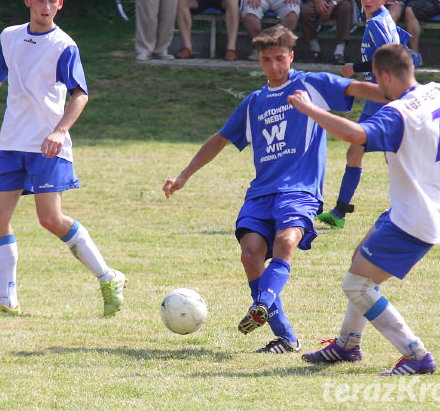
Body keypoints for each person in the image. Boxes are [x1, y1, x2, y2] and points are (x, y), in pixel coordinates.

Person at [163, 24, 389, 354]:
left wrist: (400, 92)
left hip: (299, 189)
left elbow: (358, 88)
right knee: (250, 253)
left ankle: (264, 303)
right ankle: (286, 336)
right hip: (261, 192)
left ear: (291, 56)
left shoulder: (311, 85)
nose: (274, 66)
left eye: (280, 58)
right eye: (266, 60)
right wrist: (184, 175)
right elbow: (220, 138)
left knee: (286, 241)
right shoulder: (254, 102)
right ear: (259, 60)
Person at [290, 43, 440, 375]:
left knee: (356, 285)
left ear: (385, 75)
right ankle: (347, 345)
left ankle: (417, 355)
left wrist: (309, 109)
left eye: (376, 79)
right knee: (360, 259)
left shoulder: (398, 114)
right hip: (414, 210)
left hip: (413, 220)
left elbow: (356, 134)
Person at [0, 0, 127, 318]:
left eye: (51, 0)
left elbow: (80, 94)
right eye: (39, 0)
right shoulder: (9, 37)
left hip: (47, 145)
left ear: (60, 3)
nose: (45, 6)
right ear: (28, 1)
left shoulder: (64, 45)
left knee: (50, 219)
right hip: (11, 143)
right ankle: (7, 300)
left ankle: (108, 276)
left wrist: (59, 131)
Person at [318, 0, 411, 229]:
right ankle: (339, 213)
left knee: (390, 155)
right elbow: (402, 44)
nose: (368, 0)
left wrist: (353, 68)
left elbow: (389, 57)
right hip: (380, 96)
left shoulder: (376, 25)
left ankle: (435, 197)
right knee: (359, 151)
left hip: (382, 98)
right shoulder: (382, 20)